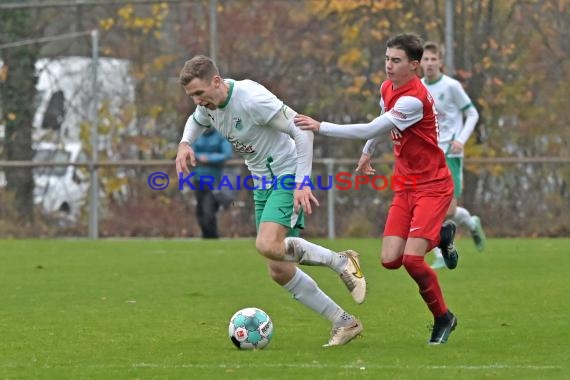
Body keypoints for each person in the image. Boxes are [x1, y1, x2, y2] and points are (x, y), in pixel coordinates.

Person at [175, 55, 366, 347]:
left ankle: (341, 260)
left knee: (267, 244)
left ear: (216, 81)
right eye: (192, 96)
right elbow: (196, 120)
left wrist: (302, 181)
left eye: (200, 93)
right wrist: (185, 143)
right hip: (262, 181)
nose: (198, 101)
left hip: (286, 172)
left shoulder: (251, 98)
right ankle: (344, 321)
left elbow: (301, 129)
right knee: (278, 268)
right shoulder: (208, 105)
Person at [294, 33, 458, 344]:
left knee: (412, 260)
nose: (388, 66)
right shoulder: (388, 88)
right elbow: (379, 124)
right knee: (389, 259)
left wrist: (321, 126)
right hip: (406, 186)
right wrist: (369, 151)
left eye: (396, 61)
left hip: (433, 186)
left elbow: (371, 127)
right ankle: (441, 236)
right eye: (386, 59)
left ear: (414, 65)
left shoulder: (413, 98)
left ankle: (443, 317)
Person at [420, 41, 487, 269]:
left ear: (440, 62)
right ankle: (440, 254)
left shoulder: (451, 87)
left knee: (448, 209)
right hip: (427, 155)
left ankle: (471, 222)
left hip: (450, 152)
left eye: (433, 59)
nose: (429, 63)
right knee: (430, 204)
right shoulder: (418, 87)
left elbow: (472, 114)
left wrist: (461, 140)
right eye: (425, 59)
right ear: (419, 63)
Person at [191, 128, 233, 238]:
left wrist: (208, 158)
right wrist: (199, 157)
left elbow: (227, 154)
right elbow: (191, 151)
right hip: (198, 178)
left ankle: (212, 236)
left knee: (208, 210)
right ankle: (206, 236)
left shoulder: (220, 136)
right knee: (200, 210)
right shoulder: (197, 136)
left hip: (214, 179)